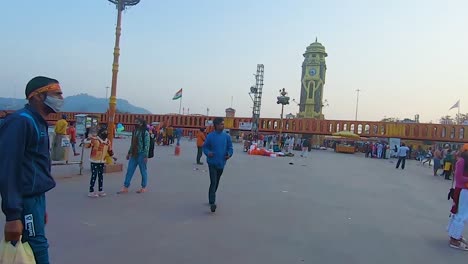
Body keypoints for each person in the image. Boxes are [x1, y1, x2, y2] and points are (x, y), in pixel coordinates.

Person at [0, 76, 63, 264]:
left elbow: (35, 166)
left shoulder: (38, 122)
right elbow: (8, 168)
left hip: (35, 200)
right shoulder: (21, 122)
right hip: (25, 200)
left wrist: (40, 205)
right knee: (37, 249)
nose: (61, 98)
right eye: (56, 94)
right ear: (37, 96)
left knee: (34, 247)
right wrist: (13, 215)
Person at [203, 117, 233, 213]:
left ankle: (211, 196)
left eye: (223, 124)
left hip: (221, 163)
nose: (223, 126)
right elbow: (205, 147)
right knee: (213, 181)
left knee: (217, 181)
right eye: (221, 124)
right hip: (212, 162)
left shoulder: (226, 136)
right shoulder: (210, 136)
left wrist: (229, 154)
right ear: (216, 125)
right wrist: (208, 153)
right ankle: (212, 202)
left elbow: (230, 148)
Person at [118, 118, 150, 194]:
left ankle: (143, 187)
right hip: (134, 154)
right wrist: (129, 153)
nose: (135, 123)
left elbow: (147, 145)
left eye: (137, 122)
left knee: (143, 171)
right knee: (129, 170)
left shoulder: (145, 133)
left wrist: (145, 156)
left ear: (142, 123)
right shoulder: (135, 132)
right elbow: (132, 144)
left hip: (142, 155)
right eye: (135, 122)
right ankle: (125, 187)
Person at [447, 144, 468, 250]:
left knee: (459, 213)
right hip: (463, 191)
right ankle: (454, 240)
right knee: (461, 215)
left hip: (464, 191)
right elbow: (459, 177)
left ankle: (455, 235)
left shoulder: (463, 161)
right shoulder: (462, 161)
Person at [84, 127, 112, 198]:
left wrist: (113, 156)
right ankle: (91, 191)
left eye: (106, 133)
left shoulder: (108, 142)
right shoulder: (94, 140)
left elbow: (110, 150)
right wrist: (87, 139)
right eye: (104, 133)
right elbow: (87, 146)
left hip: (102, 161)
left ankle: (100, 190)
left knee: (100, 176)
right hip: (94, 160)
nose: (105, 134)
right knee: (94, 175)